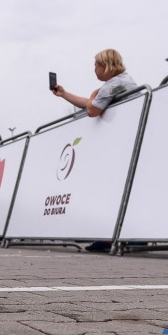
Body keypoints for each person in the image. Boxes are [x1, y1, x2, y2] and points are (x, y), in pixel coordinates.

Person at [51, 48, 137, 252]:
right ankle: (115, 235)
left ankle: (122, 237)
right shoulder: (120, 82)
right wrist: (65, 94)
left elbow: (92, 109)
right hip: (123, 141)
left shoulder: (113, 84)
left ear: (106, 66)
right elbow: (92, 105)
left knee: (114, 188)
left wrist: (93, 94)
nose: (94, 69)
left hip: (122, 143)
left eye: (96, 65)